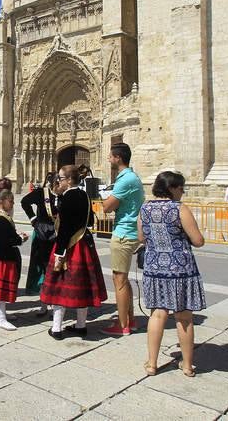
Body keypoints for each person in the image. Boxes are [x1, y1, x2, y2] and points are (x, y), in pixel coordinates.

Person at [139, 171, 206, 377]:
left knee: (158, 314)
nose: (183, 192)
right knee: (184, 316)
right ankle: (187, 365)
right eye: (181, 188)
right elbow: (198, 240)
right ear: (172, 188)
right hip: (179, 269)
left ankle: (151, 364)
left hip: (154, 268)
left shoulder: (145, 208)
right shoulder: (179, 209)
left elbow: (141, 237)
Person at [41, 164, 107, 340]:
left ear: (69, 180)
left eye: (61, 178)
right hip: (83, 244)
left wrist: (60, 253)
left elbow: (64, 229)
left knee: (60, 285)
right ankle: (81, 325)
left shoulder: (68, 197)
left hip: (69, 247)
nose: (58, 181)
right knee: (82, 287)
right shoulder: (84, 195)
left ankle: (56, 328)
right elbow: (91, 220)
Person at [100, 142, 145, 336]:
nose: (109, 159)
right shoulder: (131, 177)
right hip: (130, 231)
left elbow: (107, 207)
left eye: (111, 156)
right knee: (123, 279)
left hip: (124, 233)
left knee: (119, 279)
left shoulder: (125, 179)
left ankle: (122, 324)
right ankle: (130, 319)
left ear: (118, 158)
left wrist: (106, 199)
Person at [0, 190, 27, 330]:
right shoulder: (0, 218)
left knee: (5, 287)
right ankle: (1, 318)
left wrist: (17, 236)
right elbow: (7, 239)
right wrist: (21, 239)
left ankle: (3, 314)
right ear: (1, 201)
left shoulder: (3, 216)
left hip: (5, 256)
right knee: (2, 288)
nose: (13, 203)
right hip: (4, 257)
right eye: (10, 201)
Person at [21, 171, 58, 315]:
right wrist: (33, 219)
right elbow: (24, 202)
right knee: (43, 269)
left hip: (57, 235)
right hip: (43, 234)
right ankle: (44, 303)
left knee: (55, 268)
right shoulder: (42, 193)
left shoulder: (64, 196)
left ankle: (55, 303)